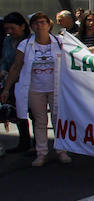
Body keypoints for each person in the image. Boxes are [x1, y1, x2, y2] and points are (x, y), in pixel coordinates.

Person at [0, 13, 69, 167]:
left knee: (58, 119)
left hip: (56, 88)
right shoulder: (25, 45)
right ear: (31, 26)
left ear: (49, 24)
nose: (40, 26)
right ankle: (41, 153)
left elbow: (76, 57)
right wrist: (7, 88)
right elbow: (16, 66)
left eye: (43, 22)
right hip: (35, 89)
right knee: (40, 121)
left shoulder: (59, 42)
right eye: (36, 23)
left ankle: (61, 151)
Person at [1, 12, 32, 153]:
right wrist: (2, 70)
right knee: (17, 113)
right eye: (7, 29)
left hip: (28, 82)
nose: (9, 32)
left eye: (12, 28)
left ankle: (38, 145)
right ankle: (24, 142)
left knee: (34, 114)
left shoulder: (31, 41)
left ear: (22, 26)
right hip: (10, 81)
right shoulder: (7, 41)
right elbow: (4, 59)